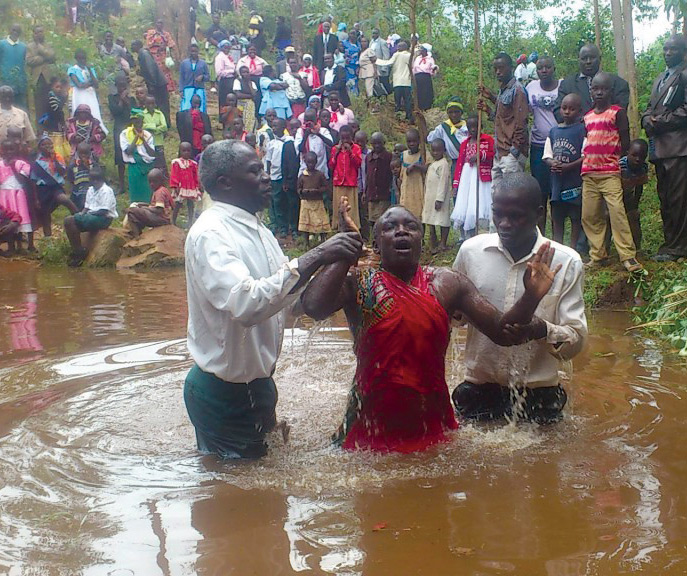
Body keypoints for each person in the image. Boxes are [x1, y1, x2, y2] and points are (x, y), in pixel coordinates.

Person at [301, 197, 562, 452]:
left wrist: (531, 296)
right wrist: (346, 253)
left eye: (410, 226)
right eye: (390, 228)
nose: (401, 231)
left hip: (433, 422)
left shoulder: (447, 283)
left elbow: (504, 333)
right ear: (376, 244)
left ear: (421, 239)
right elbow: (313, 307)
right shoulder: (358, 283)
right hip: (366, 424)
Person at [183, 139, 363, 459]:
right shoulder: (210, 233)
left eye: (265, 169)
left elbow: (285, 304)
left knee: (260, 489)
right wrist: (322, 252)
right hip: (224, 393)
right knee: (236, 496)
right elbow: (248, 305)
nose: (267, 178)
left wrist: (337, 258)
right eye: (255, 171)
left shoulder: (258, 231)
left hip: (256, 387)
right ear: (225, 183)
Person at [451, 173, 587, 424]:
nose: (503, 223)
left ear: (539, 213)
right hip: (478, 390)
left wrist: (540, 329)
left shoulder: (566, 262)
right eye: (498, 213)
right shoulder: (471, 252)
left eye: (515, 216)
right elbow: (451, 319)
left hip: (539, 394)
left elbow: (576, 342)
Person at [582, 72, 642, 273]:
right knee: (590, 216)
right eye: (596, 89)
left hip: (609, 172)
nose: (599, 92)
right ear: (591, 91)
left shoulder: (617, 113)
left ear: (610, 91)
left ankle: (627, 255)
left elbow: (624, 141)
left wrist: (616, 159)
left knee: (617, 213)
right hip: (589, 173)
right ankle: (597, 255)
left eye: (604, 89)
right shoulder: (587, 116)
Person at [642, 35, 687, 262]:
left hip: (679, 148)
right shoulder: (661, 78)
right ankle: (670, 242)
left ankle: (679, 246)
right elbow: (650, 107)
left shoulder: (685, 75)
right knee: (665, 197)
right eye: (666, 49)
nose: (668, 53)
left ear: (683, 52)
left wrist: (660, 121)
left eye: (674, 50)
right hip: (659, 149)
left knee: (679, 199)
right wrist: (646, 118)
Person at [479, 52, 529, 193]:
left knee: (512, 198)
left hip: (510, 154)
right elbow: (503, 118)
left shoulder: (518, 91)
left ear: (511, 68)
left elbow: (521, 123)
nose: (498, 72)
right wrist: (489, 107)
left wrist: (514, 151)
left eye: (501, 68)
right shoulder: (503, 91)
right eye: (495, 68)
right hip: (500, 153)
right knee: (498, 198)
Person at [543, 93, 585, 249]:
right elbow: (547, 154)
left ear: (579, 112)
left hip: (573, 182)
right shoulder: (554, 131)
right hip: (557, 183)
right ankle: (557, 247)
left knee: (575, 217)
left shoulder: (582, 130)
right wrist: (551, 162)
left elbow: (585, 155)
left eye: (572, 109)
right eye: (564, 108)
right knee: (557, 217)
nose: (567, 112)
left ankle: (573, 249)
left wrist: (569, 166)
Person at [554, 44, 629, 123]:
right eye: (584, 58)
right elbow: (558, 111)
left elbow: (620, 112)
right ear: (579, 60)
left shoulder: (617, 83)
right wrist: (584, 121)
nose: (588, 62)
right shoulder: (567, 84)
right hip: (577, 132)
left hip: (608, 132)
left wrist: (597, 121)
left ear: (599, 59)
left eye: (592, 58)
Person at [527, 55, 559, 233]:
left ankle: (558, 238)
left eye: (547, 67)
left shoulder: (563, 86)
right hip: (538, 145)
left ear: (554, 68)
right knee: (540, 193)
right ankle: (541, 237)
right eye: (540, 68)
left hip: (560, 145)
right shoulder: (530, 87)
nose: (544, 70)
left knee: (557, 194)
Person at [63, 165, 117, 267]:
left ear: (102, 179)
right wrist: (81, 214)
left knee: (74, 220)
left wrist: (85, 216)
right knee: (68, 221)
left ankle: (79, 252)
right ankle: (78, 251)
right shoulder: (91, 190)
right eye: (93, 180)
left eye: (97, 180)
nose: (95, 182)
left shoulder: (106, 190)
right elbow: (87, 207)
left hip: (103, 219)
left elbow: (104, 211)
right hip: (91, 217)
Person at [451, 115, 495, 239]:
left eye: (475, 127)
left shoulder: (488, 140)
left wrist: (480, 155)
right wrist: (456, 184)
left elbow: (493, 154)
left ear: (481, 127)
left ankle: (483, 232)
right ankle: (469, 233)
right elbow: (459, 163)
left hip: (481, 176)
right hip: (467, 175)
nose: (473, 130)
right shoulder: (465, 143)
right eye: (470, 127)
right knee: (467, 202)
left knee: (480, 201)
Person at [31, 135, 77, 236]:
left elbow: (62, 172)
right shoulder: (37, 162)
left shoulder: (58, 157)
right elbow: (33, 181)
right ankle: (48, 238)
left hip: (55, 187)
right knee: (45, 214)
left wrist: (54, 159)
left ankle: (79, 218)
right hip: (43, 190)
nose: (47, 146)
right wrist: (36, 199)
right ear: (39, 148)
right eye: (44, 145)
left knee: (64, 200)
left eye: (49, 144)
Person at [265, 116, 299, 239]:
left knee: (291, 202)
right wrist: (267, 174)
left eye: (276, 126)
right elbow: (268, 161)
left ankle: (293, 227)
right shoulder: (271, 144)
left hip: (288, 178)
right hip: (275, 177)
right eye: (272, 126)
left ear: (284, 127)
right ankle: (282, 227)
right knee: (278, 202)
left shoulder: (290, 141)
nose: (273, 128)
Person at [0, 138, 34, 251]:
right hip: (3, 196)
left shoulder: (21, 164)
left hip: (18, 196)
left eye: (11, 149)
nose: (9, 152)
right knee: (7, 219)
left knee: (21, 218)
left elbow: (22, 181)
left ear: (16, 150)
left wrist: (13, 167)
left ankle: (21, 246)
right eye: (6, 149)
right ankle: (11, 246)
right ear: (2, 151)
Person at [130, 40, 171, 126]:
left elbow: (151, 69)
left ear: (137, 45)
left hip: (157, 84)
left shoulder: (144, 54)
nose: (131, 47)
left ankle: (165, 124)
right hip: (156, 83)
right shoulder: (142, 54)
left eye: (133, 45)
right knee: (159, 103)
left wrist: (152, 84)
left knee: (161, 104)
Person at [330, 125, 362, 230]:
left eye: (347, 138)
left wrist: (350, 152)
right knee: (339, 206)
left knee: (350, 207)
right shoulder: (335, 149)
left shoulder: (356, 148)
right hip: (338, 182)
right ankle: (339, 227)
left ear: (351, 137)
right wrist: (337, 153)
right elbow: (331, 165)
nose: (345, 141)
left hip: (351, 182)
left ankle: (352, 228)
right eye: (342, 138)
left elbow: (358, 164)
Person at [422, 139, 451, 253]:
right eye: (433, 150)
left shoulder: (443, 164)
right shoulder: (433, 164)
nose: (435, 153)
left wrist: (439, 199)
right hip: (430, 196)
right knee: (431, 218)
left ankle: (443, 243)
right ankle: (433, 241)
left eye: (438, 151)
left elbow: (443, 182)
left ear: (443, 150)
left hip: (439, 198)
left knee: (443, 219)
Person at [120, 109, 156, 203]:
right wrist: (136, 138)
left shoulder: (148, 135)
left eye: (140, 121)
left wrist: (143, 140)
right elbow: (128, 151)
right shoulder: (124, 134)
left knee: (147, 194)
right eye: (136, 121)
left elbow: (152, 153)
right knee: (135, 194)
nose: (138, 123)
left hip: (147, 167)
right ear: (132, 121)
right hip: (134, 167)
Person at [620, 139, 649, 253]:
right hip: (616, 197)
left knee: (634, 218)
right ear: (628, 153)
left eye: (642, 156)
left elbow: (639, 188)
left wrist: (634, 204)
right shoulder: (620, 166)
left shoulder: (643, 168)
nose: (638, 159)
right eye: (634, 155)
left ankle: (637, 248)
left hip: (630, 197)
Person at [68, 49, 107, 134]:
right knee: (79, 111)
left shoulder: (90, 69)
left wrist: (90, 71)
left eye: (84, 58)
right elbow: (79, 85)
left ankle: (95, 131)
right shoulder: (72, 69)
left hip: (90, 94)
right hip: (78, 94)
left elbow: (96, 85)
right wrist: (90, 83)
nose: (83, 61)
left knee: (93, 111)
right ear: (76, 59)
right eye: (80, 58)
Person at [372, 40, 412, 121]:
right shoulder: (410, 55)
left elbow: (388, 63)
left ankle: (398, 117)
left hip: (397, 82)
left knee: (397, 101)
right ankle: (409, 117)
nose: (397, 48)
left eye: (399, 46)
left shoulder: (396, 55)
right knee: (407, 100)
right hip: (407, 82)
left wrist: (376, 61)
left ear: (403, 47)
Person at [108, 76, 136, 192]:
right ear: (116, 86)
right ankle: (121, 185)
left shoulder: (132, 99)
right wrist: (121, 100)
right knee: (120, 156)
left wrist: (126, 101)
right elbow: (115, 112)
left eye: (124, 85)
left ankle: (133, 183)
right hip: (119, 129)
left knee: (132, 154)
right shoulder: (112, 98)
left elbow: (134, 113)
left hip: (130, 128)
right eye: (120, 85)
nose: (122, 88)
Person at [298, 150, 330, 247]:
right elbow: (298, 188)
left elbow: (325, 187)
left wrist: (317, 190)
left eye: (312, 162)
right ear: (305, 162)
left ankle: (323, 239)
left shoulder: (319, 175)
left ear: (316, 162)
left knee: (320, 220)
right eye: (308, 162)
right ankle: (306, 242)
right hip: (306, 202)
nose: (310, 164)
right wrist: (303, 192)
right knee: (306, 222)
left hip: (317, 201)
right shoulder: (302, 176)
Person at [26, 25, 56, 123]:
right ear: (33, 34)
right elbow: (29, 61)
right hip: (37, 79)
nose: (39, 34)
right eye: (37, 32)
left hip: (49, 79)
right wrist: (44, 58)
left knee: (50, 103)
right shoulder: (29, 46)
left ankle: (50, 126)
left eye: (41, 32)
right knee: (38, 104)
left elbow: (52, 57)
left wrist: (40, 50)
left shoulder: (49, 44)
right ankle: (40, 128)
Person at [365, 132, 393, 235]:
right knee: (372, 218)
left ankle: (383, 237)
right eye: (374, 143)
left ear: (384, 143)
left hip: (384, 192)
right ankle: (374, 238)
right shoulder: (368, 157)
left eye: (379, 143)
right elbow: (367, 175)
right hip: (372, 193)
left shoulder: (388, 156)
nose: (377, 146)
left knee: (383, 218)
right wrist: (365, 192)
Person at [427, 99, 468, 167]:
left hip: (469, 162)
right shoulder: (443, 128)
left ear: (461, 112)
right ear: (447, 113)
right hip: (456, 163)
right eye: (450, 112)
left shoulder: (468, 126)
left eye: (457, 112)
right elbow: (429, 139)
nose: (454, 115)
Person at [294, 107, 333, 178]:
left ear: (316, 120)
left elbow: (331, 144)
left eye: (311, 120)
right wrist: (306, 135)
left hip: (321, 172)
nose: (309, 123)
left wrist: (318, 134)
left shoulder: (323, 131)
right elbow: (300, 149)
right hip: (305, 173)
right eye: (307, 120)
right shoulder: (300, 132)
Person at [170, 142, 201, 227]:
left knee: (190, 204)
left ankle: (190, 221)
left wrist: (197, 186)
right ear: (180, 151)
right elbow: (174, 175)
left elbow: (195, 176)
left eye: (188, 151)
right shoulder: (176, 162)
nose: (186, 153)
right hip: (181, 187)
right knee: (178, 204)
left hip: (191, 187)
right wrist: (175, 186)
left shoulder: (193, 164)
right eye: (184, 151)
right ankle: (173, 221)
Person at [398, 128, 425, 220]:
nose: (412, 144)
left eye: (414, 141)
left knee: (418, 215)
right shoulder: (404, 155)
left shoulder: (423, 154)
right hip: (406, 189)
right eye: (409, 141)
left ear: (419, 141)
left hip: (419, 189)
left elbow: (427, 168)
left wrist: (415, 166)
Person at [145, 19, 177, 93]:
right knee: (155, 70)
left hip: (164, 56)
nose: (160, 25)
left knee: (166, 71)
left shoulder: (166, 34)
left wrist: (165, 46)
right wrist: (157, 45)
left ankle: (168, 87)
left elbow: (171, 44)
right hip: (154, 55)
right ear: (155, 24)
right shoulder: (151, 33)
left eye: (161, 23)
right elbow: (148, 43)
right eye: (158, 23)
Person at [0, 25, 27, 111]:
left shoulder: (23, 47)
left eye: (18, 31)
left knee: (19, 109)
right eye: (13, 30)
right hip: (5, 82)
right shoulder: (2, 44)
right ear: (10, 30)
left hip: (20, 85)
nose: (15, 32)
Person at [43, 77, 70, 161]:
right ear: (51, 87)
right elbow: (57, 110)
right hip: (53, 125)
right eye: (57, 87)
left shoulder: (56, 97)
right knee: (56, 145)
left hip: (56, 124)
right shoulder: (52, 98)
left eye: (60, 87)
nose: (59, 89)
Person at [179, 44, 210, 112]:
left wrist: (202, 77)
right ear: (189, 52)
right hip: (187, 89)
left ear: (198, 52)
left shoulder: (203, 63)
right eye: (192, 51)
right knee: (186, 108)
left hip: (199, 89)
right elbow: (181, 77)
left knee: (200, 109)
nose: (194, 53)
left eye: (195, 51)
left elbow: (208, 77)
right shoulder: (184, 63)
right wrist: (181, 90)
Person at [142, 95, 168, 174]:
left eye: (152, 103)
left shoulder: (159, 113)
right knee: (149, 161)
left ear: (155, 104)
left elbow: (164, 126)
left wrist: (153, 130)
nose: (151, 105)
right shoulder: (142, 114)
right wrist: (154, 126)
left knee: (160, 161)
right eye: (148, 103)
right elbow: (142, 126)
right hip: (147, 142)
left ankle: (162, 178)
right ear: (145, 104)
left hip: (158, 142)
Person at [66, 142, 92, 210]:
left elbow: (96, 175)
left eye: (86, 153)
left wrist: (88, 167)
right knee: (74, 205)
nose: (83, 155)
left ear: (90, 153)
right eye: (81, 153)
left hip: (89, 190)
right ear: (77, 153)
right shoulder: (73, 165)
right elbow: (70, 179)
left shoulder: (93, 164)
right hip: (76, 190)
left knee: (84, 204)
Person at [233, 65, 258, 132]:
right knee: (241, 120)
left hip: (251, 105)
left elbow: (255, 94)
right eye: (243, 72)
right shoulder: (237, 81)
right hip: (241, 104)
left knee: (250, 121)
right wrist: (250, 96)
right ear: (240, 73)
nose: (246, 74)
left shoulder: (252, 83)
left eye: (247, 72)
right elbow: (238, 95)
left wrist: (249, 84)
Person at [412, 45, 437, 111]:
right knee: (418, 92)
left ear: (425, 51)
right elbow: (414, 68)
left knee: (426, 92)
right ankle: (419, 107)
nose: (420, 51)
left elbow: (432, 68)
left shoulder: (430, 59)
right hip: (418, 77)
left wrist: (434, 69)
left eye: (422, 50)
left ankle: (426, 107)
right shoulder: (417, 58)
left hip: (426, 78)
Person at [215, 40, 236, 117]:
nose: (227, 49)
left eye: (228, 47)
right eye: (225, 47)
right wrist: (231, 71)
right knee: (224, 100)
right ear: (221, 47)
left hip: (231, 81)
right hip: (224, 82)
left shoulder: (228, 57)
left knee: (231, 100)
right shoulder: (220, 57)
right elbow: (219, 72)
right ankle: (223, 119)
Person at [368, 28, 390, 94]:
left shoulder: (382, 42)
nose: (373, 35)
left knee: (384, 84)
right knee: (375, 85)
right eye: (373, 33)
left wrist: (384, 67)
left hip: (381, 67)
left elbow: (386, 56)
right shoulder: (371, 42)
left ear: (378, 34)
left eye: (375, 33)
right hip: (373, 67)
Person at [358, 37, 376, 102]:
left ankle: (372, 105)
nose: (363, 43)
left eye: (365, 41)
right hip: (362, 71)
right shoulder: (361, 51)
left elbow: (374, 61)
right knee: (363, 90)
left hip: (369, 71)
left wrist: (375, 72)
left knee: (369, 90)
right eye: (362, 41)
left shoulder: (369, 50)